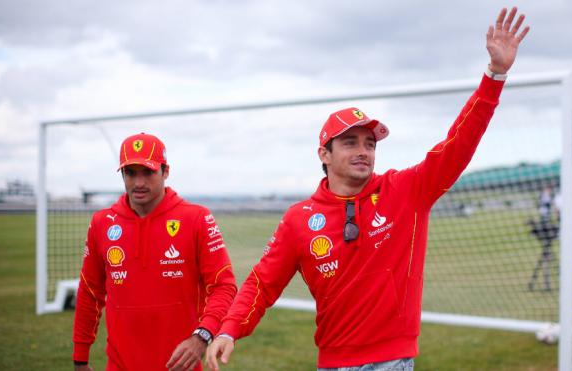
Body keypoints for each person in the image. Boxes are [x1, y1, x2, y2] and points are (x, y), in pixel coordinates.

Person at [208, 7, 530, 371]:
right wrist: (229, 330)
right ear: (324, 154)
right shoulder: (299, 219)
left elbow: (458, 145)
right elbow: (261, 284)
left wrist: (495, 75)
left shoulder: (407, 189)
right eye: (350, 143)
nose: (363, 151)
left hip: (392, 360)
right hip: (333, 362)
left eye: (370, 144)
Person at [72, 133, 237, 370]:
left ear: (165, 172)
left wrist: (202, 336)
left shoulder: (197, 218)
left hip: (180, 366)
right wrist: (80, 357)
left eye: (148, 172)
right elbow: (89, 292)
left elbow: (224, 285)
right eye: (130, 173)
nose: (138, 183)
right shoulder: (102, 223)